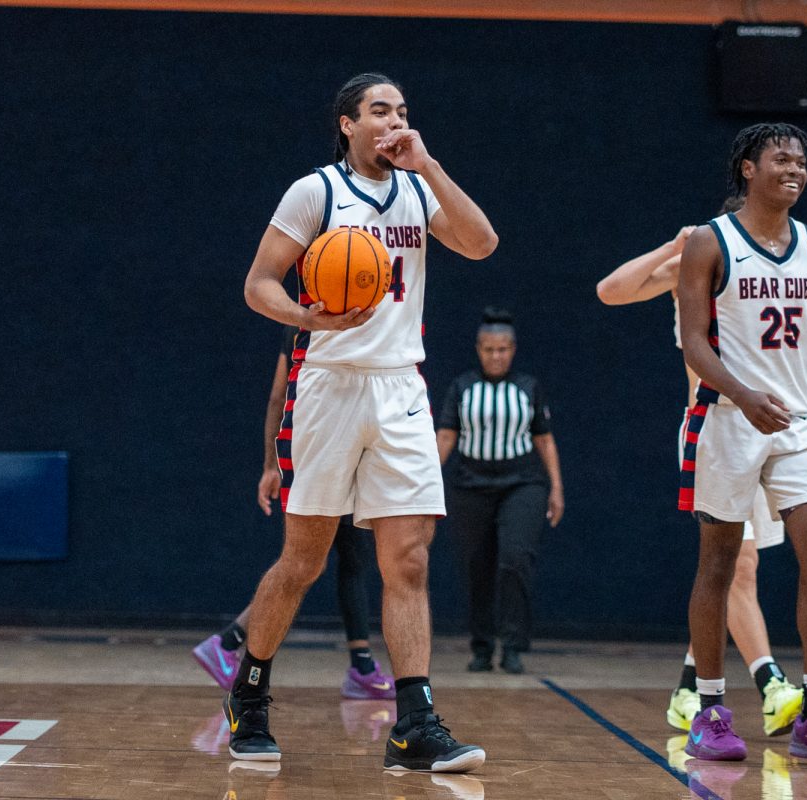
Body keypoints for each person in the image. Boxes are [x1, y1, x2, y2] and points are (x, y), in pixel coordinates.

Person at [230, 72, 498, 773]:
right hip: (327, 386)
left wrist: (429, 164)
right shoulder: (315, 191)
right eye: (380, 110)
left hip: (401, 387)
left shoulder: (416, 189)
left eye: (402, 111)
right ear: (347, 124)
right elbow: (259, 284)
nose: (393, 121)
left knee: (407, 559)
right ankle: (250, 690)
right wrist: (307, 316)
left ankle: (415, 724)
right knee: (304, 563)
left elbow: (482, 242)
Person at [597, 200, 807, 739]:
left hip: (783, 425)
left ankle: (689, 686)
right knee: (734, 566)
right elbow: (611, 289)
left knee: (769, 564)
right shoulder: (696, 261)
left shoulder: (786, 260)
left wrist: (793, 258)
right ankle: (765, 684)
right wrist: (674, 246)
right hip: (722, 424)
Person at [676, 123, 807, 765]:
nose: (794, 168)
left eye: (800, 161)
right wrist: (742, 393)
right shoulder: (710, 241)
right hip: (728, 419)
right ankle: (708, 709)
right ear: (746, 169)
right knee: (721, 565)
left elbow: (799, 344)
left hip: (792, 425)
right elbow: (694, 344)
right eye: (780, 159)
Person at [192, 325, 394, 701]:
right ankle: (231, 641)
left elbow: (276, 397)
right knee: (316, 561)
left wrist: (271, 465)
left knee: (330, 560)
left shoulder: (300, 317)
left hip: (310, 447)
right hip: (331, 446)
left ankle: (360, 665)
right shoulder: (348, 318)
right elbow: (279, 394)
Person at [435, 307, 565, 676]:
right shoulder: (462, 388)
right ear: (478, 349)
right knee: (476, 567)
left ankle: (512, 646)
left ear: (513, 349)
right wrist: (423, 486)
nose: (496, 356)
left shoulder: (527, 387)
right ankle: (480, 646)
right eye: (490, 349)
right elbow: (445, 436)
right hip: (470, 485)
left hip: (522, 483)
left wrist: (555, 487)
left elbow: (544, 438)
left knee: (515, 560)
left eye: (503, 349)